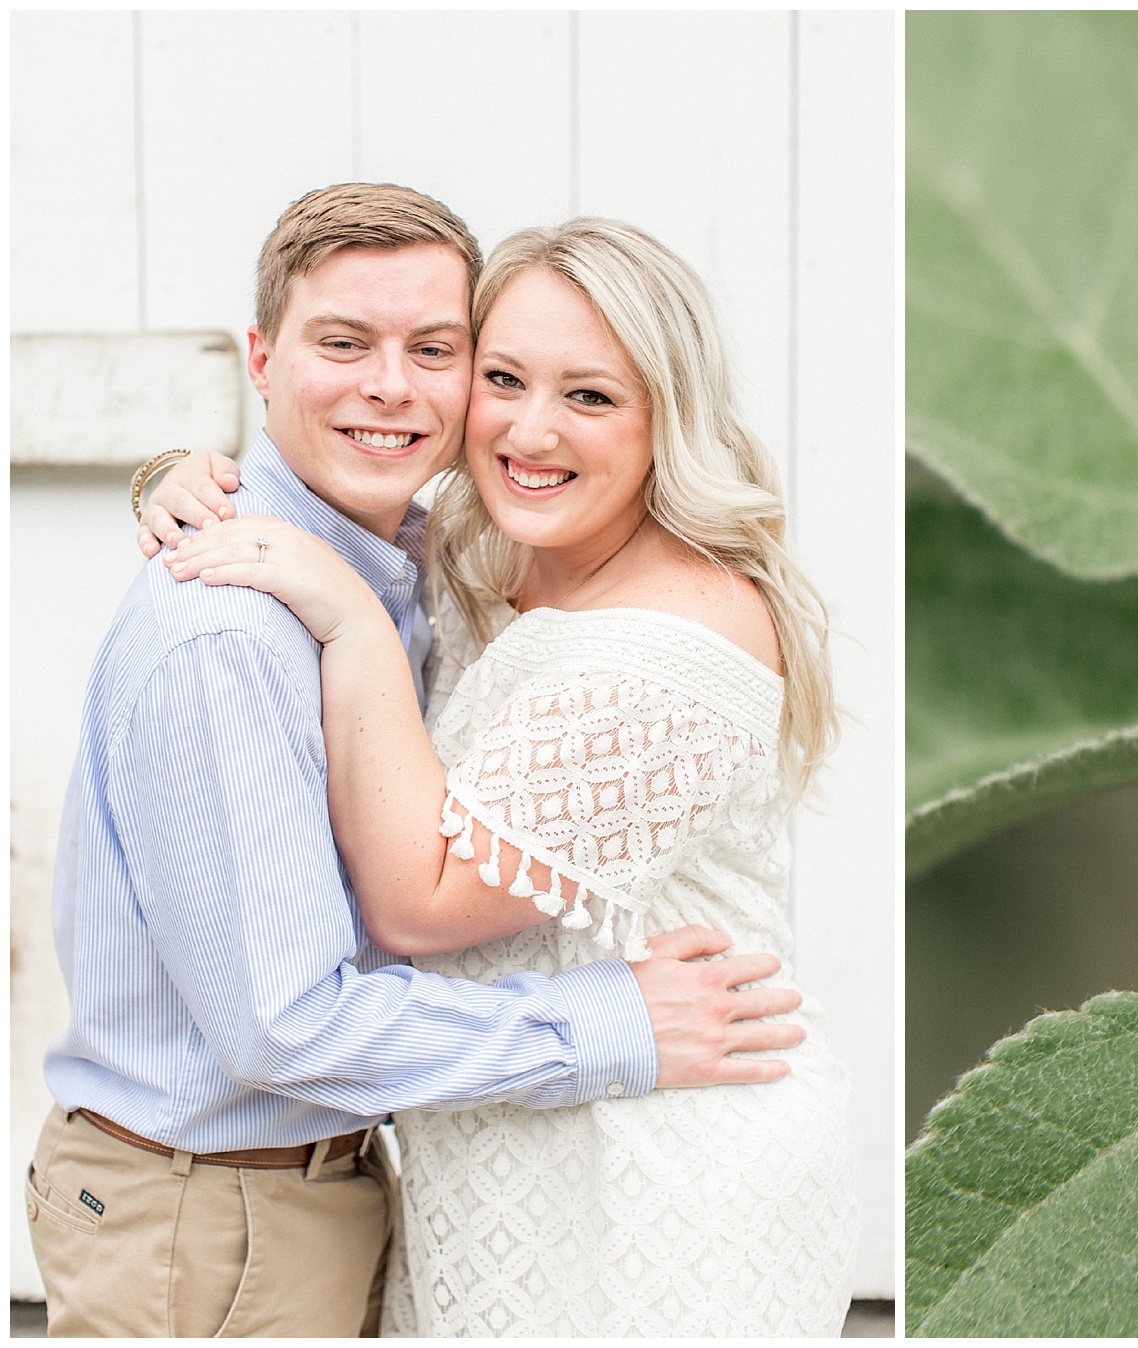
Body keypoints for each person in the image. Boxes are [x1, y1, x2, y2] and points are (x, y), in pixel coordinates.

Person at [32, 184, 808, 1339]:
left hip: (363, 1186)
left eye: (436, 351)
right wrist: (601, 1024)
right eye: (342, 343)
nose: (392, 386)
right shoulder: (239, 626)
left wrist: (227, 515)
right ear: (261, 355)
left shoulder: (414, 560)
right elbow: (286, 1026)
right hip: (213, 1212)